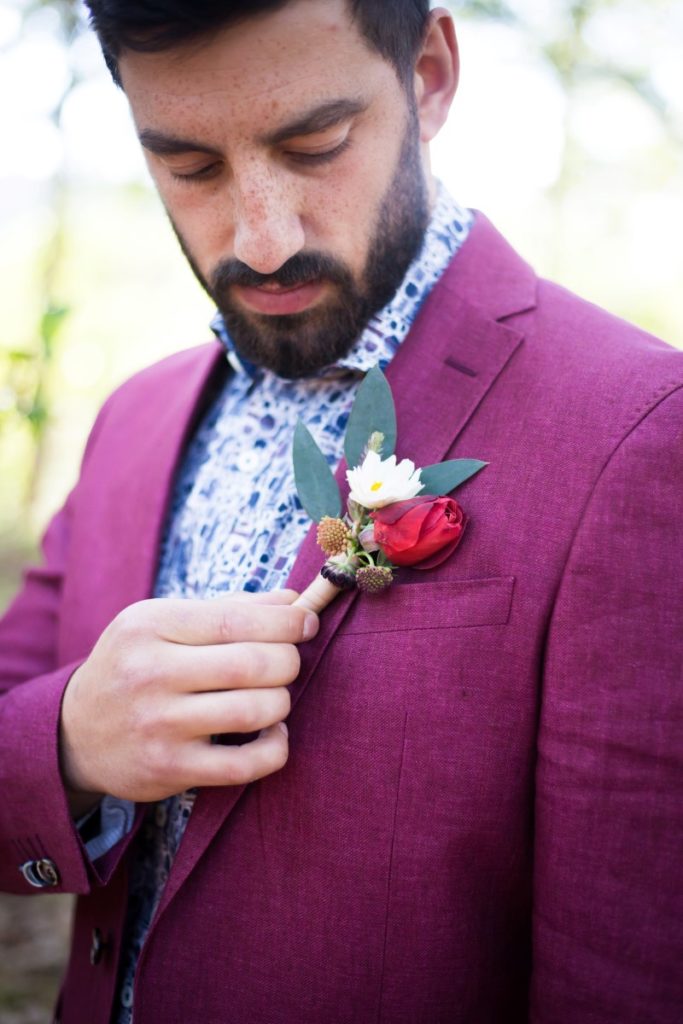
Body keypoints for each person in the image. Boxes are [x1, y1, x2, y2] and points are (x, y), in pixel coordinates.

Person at [1, 2, 681, 1022]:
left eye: (313, 145)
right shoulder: (131, 419)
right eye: (189, 168)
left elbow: (620, 974)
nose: (261, 239)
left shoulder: (635, 429)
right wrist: (68, 744)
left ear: (428, 72)